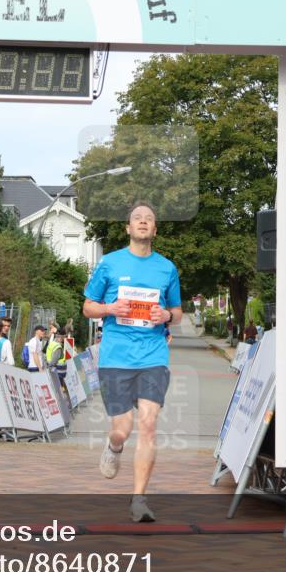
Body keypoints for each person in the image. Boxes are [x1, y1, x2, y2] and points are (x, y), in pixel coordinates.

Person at [83, 201, 182, 522]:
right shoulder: (110, 263)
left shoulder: (166, 268)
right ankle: (114, 447)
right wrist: (110, 309)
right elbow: (88, 307)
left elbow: (178, 312)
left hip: (153, 354)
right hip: (116, 356)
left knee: (149, 425)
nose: (142, 222)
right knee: (122, 429)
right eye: (137, 218)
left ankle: (139, 500)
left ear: (154, 229)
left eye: (148, 219)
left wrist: (166, 315)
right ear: (128, 228)